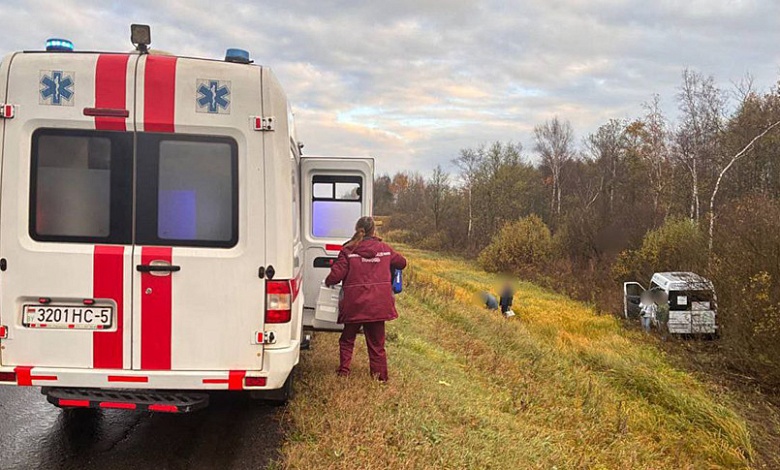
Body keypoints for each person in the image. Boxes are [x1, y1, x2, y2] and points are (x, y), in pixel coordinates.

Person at [325, 216, 407, 382]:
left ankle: (344, 372)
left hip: (355, 304)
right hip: (378, 305)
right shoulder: (384, 248)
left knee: (347, 340)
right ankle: (380, 378)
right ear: (374, 230)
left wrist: (328, 282)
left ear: (357, 229)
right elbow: (402, 263)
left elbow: (335, 276)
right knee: (377, 344)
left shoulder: (348, 250)